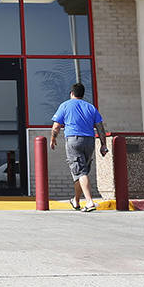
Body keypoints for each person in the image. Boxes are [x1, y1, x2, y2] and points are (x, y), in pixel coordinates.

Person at [49, 83, 108, 211]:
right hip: (89, 141)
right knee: (82, 172)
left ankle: (89, 202)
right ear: (82, 94)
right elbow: (100, 128)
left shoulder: (65, 105)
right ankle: (75, 201)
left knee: (80, 172)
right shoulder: (91, 107)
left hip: (73, 140)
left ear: (71, 93)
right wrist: (103, 145)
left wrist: (53, 139)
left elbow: (56, 126)